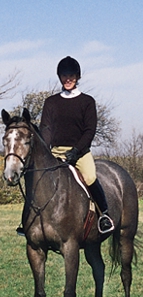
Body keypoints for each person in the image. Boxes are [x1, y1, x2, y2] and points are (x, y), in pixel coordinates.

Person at [39, 56, 114, 234]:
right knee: (38, 178)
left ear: (77, 77)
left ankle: (104, 214)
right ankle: (28, 220)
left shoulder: (87, 102)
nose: (68, 79)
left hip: (80, 152)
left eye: (71, 75)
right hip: (56, 151)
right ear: (59, 77)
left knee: (89, 177)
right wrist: (45, 150)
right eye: (64, 76)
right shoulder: (51, 102)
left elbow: (89, 130)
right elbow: (46, 129)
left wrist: (76, 151)